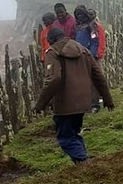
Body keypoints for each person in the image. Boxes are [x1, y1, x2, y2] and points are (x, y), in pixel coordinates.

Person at [33, 28, 114, 164]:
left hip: (65, 103)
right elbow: (99, 76)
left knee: (65, 136)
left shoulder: (53, 52)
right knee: (74, 133)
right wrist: (107, 99)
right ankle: (83, 160)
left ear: (51, 40)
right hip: (83, 101)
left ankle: (83, 161)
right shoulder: (83, 50)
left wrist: (40, 104)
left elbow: (54, 79)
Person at [74, 6, 105, 112]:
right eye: (77, 15)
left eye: (81, 14)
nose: (80, 17)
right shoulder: (78, 27)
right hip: (79, 56)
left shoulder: (91, 26)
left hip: (90, 57)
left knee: (94, 80)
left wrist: (91, 55)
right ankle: (86, 103)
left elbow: (95, 40)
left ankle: (95, 104)